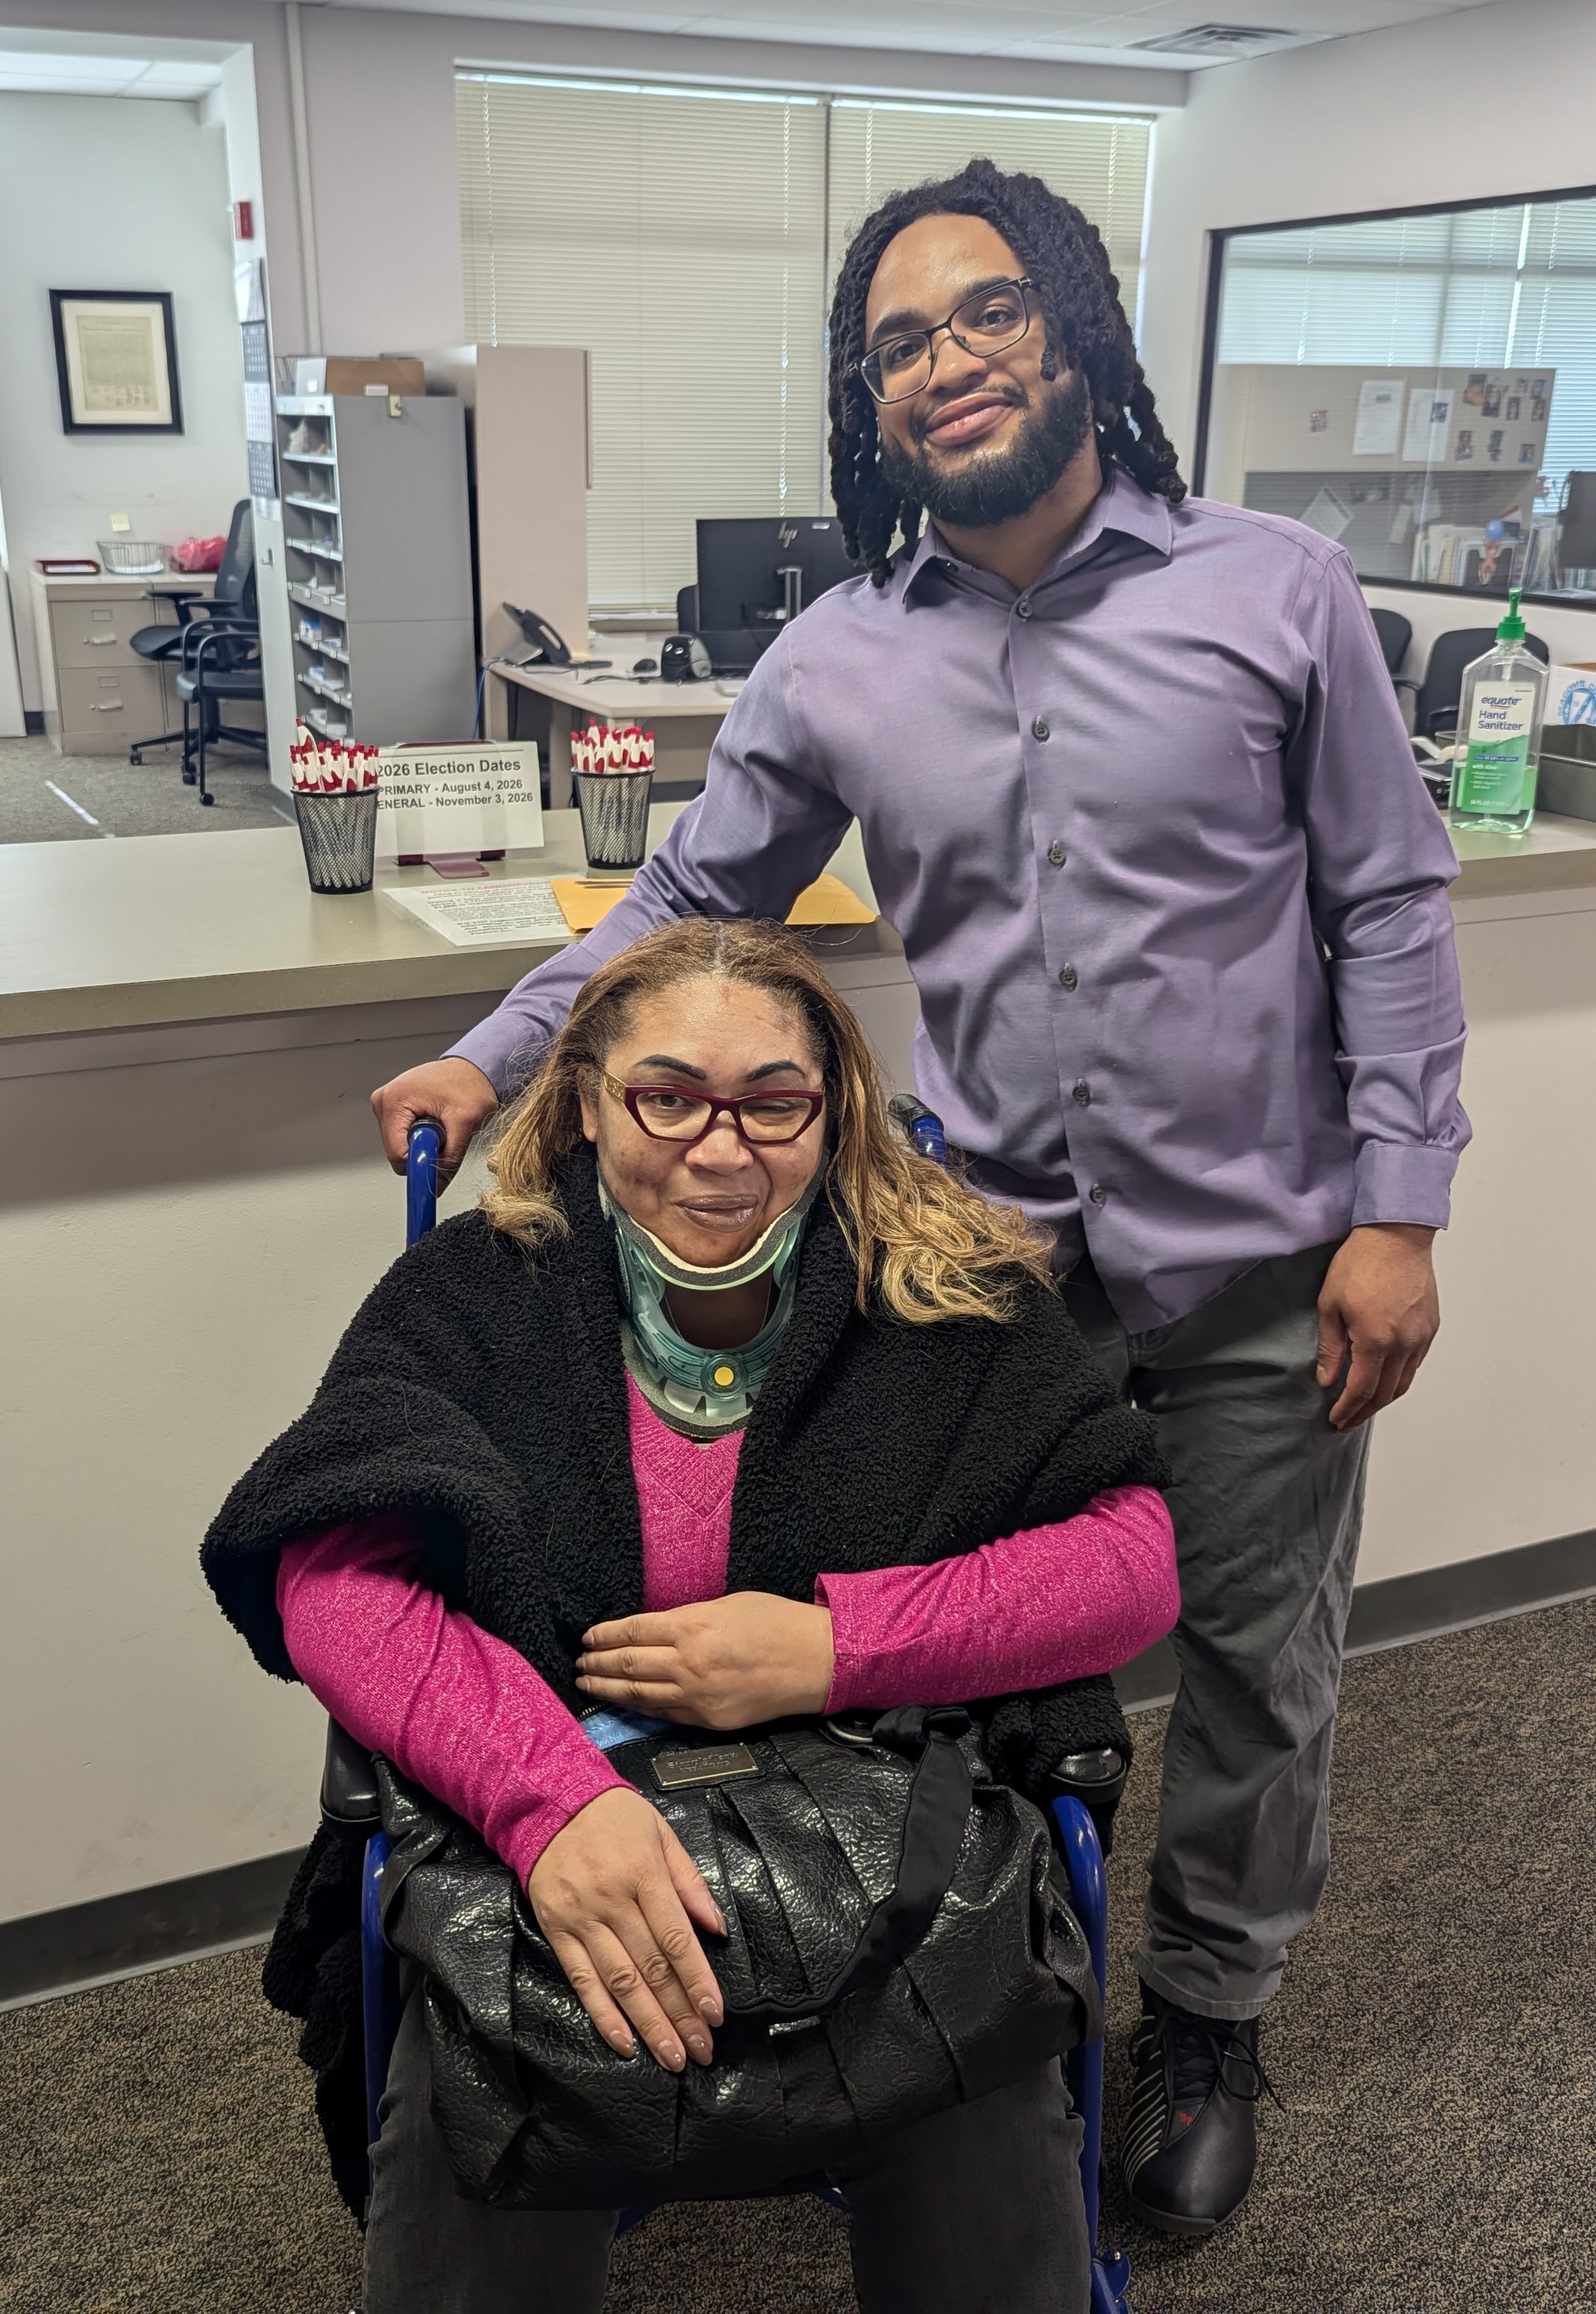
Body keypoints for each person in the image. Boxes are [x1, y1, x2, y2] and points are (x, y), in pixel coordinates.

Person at [369, 158, 1470, 2237]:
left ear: (1071, 331)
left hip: (1262, 1270)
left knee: (1253, 1662)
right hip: (991, 1273)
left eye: (981, 314)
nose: (944, 363)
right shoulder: (839, 656)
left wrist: (1398, 1209)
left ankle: (1209, 2012)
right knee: (959, 1657)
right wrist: (494, 1049)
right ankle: (958, 1996)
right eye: (895, 343)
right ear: (866, 405)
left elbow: (1388, 903)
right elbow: (702, 892)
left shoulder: (1272, 591)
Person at [206, 917, 1179, 2313]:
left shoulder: (939, 1283)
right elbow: (336, 1580)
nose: (721, 1153)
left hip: (883, 1791)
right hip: (546, 1799)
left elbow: (1127, 1559)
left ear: (830, 1106)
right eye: (667, 1095)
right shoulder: (478, 1288)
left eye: (773, 1101)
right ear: (590, 1098)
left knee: (976, 2051)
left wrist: (833, 1645)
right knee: (488, 2085)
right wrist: (551, 1806)